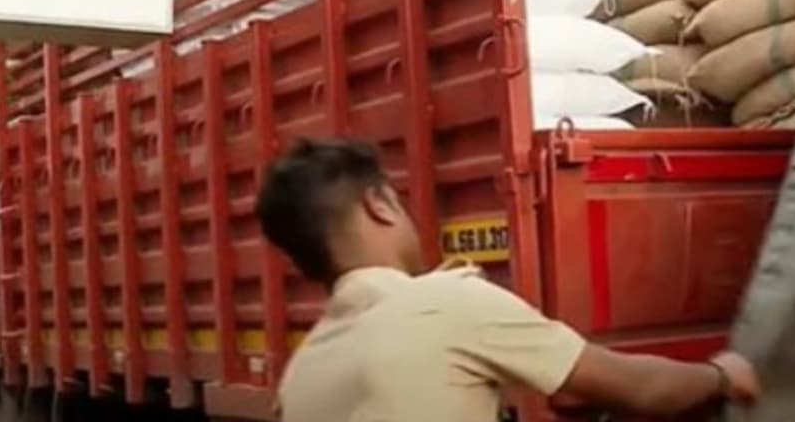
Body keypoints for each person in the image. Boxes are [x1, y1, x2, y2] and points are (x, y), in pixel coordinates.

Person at [257, 138, 760, 422]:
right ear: (378, 205)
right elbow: (643, 391)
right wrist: (721, 375)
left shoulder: (300, 375)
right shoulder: (448, 303)